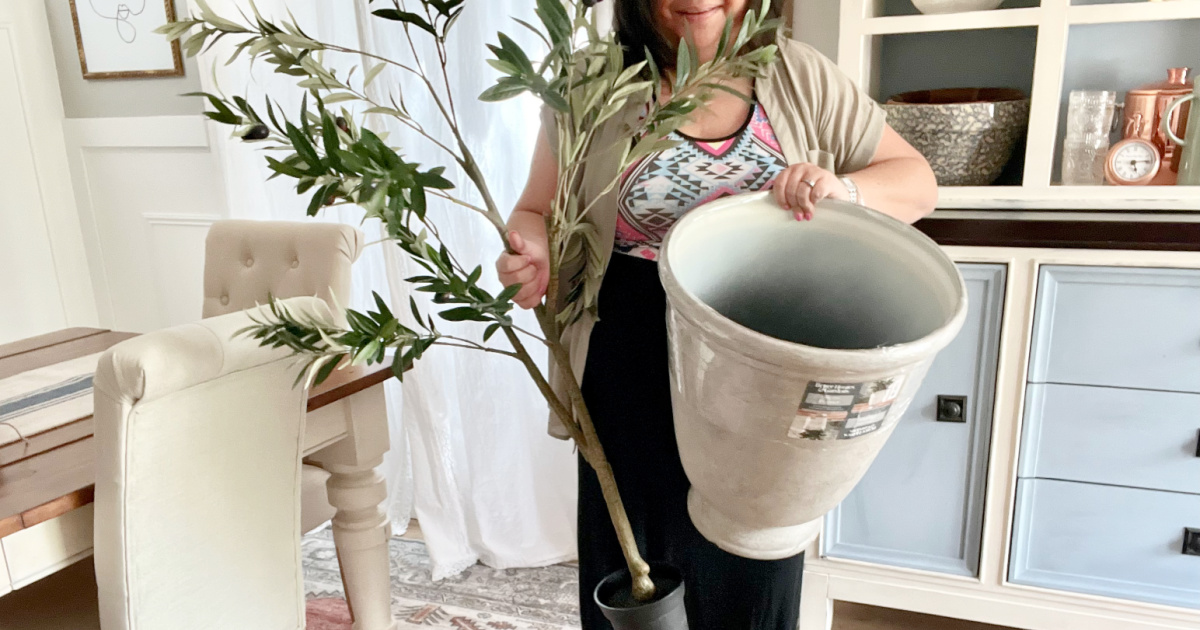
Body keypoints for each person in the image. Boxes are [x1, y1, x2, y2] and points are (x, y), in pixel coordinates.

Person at [496, 1, 938, 628]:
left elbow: (918, 179)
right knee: (635, 569)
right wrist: (532, 252)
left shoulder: (797, 74)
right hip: (631, 349)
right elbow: (534, 209)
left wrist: (844, 192)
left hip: (772, 356)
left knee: (753, 556)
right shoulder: (594, 81)